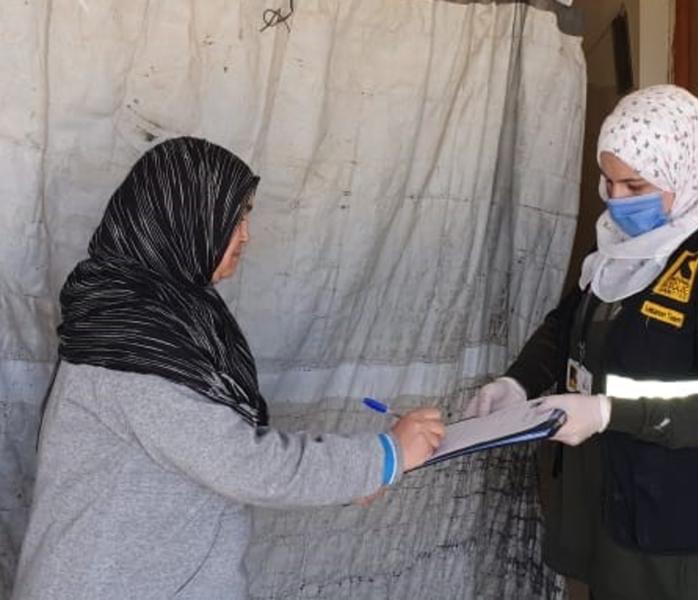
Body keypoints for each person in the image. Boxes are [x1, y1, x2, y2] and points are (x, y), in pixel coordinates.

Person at [12, 137, 445, 600]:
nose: (246, 235)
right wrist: (383, 456)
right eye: (236, 216)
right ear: (185, 216)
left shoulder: (167, 317)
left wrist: (357, 473)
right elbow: (241, 462)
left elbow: (213, 454)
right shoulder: (133, 345)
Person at [465, 85, 698, 600]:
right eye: (608, 182)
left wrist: (609, 412)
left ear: (687, 171)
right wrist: (516, 383)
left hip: (674, 525)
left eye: (635, 185)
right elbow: (566, 324)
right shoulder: (619, 242)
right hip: (606, 499)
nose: (616, 201)